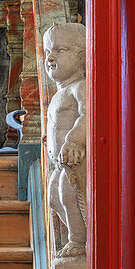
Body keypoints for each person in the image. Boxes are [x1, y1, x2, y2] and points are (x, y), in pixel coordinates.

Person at [44, 23, 87, 257]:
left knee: (68, 193)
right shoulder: (59, 93)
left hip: (74, 158)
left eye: (60, 50)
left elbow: (88, 115)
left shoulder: (80, 87)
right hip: (60, 161)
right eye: (48, 52)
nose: (50, 57)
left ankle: (79, 241)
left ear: (81, 57)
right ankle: (77, 234)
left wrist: (74, 140)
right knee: (54, 197)